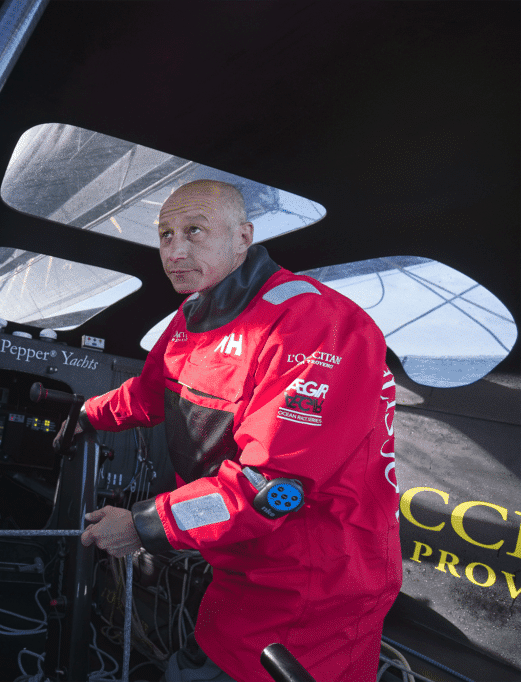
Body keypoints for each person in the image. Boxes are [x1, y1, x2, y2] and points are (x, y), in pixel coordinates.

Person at [73, 180, 402, 681]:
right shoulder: (192, 316)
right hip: (240, 567)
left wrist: (144, 525)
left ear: (242, 238)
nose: (175, 250)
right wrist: (86, 414)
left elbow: (269, 488)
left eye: (195, 231)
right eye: (165, 234)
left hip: (314, 587)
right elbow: (148, 394)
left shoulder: (317, 323)